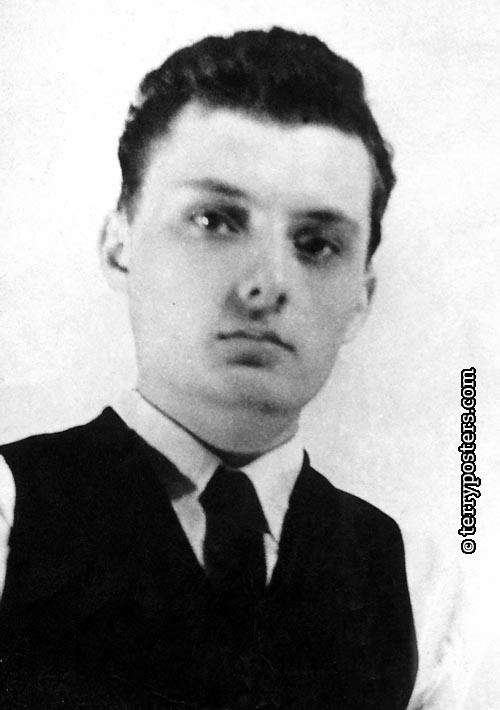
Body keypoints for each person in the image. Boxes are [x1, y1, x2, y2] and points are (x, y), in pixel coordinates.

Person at [0, 27, 463, 710]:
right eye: (215, 220)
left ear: (361, 299)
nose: (265, 285)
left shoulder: (418, 580)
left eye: (317, 244)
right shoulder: (12, 511)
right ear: (118, 245)